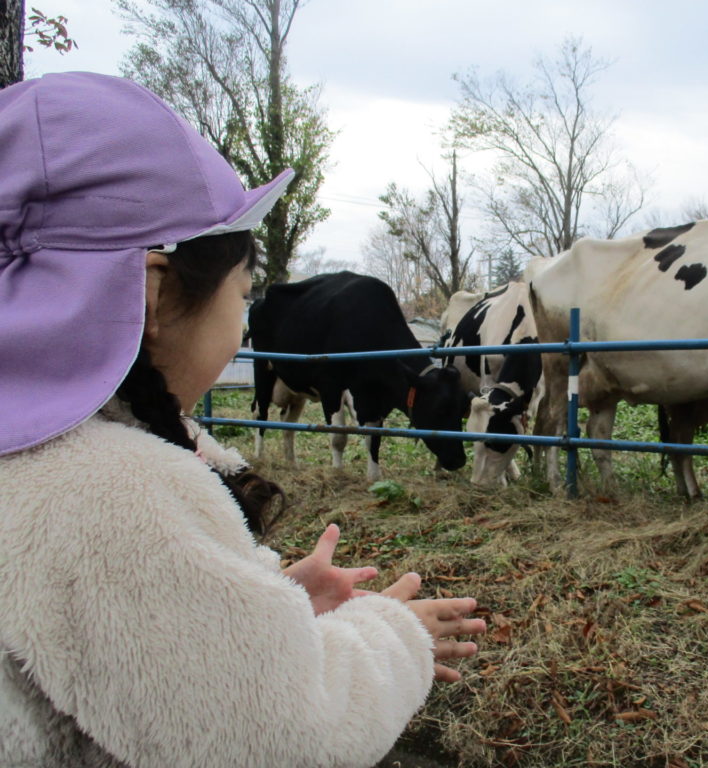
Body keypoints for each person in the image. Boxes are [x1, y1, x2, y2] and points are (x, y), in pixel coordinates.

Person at [0, 71, 485, 768]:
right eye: (243, 292)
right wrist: (395, 635)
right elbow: (290, 736)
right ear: (154, 290)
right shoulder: (116, 495)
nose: (244, 320)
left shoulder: (53, 463)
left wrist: (268, 603)